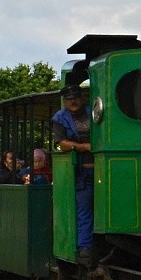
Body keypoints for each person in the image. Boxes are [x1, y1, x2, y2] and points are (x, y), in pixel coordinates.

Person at [52, 84, 94, 264]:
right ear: (65, 101)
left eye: (76, 97)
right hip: (79, 170)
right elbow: (61, 143)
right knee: (83, 207)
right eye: (69, 99)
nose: (73, 101)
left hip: (101, 166)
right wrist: (83, 147)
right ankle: (84, 246)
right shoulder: (60, 118)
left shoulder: (94, 111)